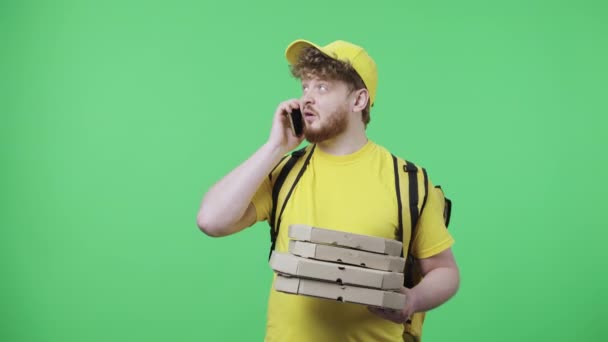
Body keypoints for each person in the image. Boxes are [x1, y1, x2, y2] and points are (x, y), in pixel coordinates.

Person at [197, 39, 460, 342]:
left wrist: (412, 301)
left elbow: (445, 272)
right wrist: (274, 148)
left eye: (321, 87)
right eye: (305, 87)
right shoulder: (285, 172)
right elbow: (210, 220)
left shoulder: (409, 181)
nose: (306, 99)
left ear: (359, 100)